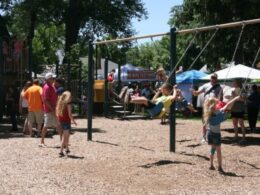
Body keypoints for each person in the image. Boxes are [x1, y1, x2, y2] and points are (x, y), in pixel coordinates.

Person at [203, 95, 241, 172]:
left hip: (210, 133)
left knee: (212, 149)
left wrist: (204, 136)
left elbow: (204, 126)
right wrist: (235, 98)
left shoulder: (207, 113)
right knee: (219, 151)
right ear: (214, 105)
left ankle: (211, 165)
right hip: (216, 134)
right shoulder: (218, 112)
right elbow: (227, 105)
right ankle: (220, 167)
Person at [192, 73, 223, 142]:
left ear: (216, 79)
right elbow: (197, 93)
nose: (213, 79)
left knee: (213, 121)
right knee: (204, 121)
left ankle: (212, 136)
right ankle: (204, 137)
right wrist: (193, 91)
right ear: (210, 78)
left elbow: (220, 99)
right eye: (212, 77)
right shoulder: (206, 85)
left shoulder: (219, 87)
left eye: (214, 78)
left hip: (214, 106)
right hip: (206, 105)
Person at [40, 72, 62, 147]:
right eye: (52, 78)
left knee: (58, 125)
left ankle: (62, 141)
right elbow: (46, 100)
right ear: (49, 79)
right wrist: (52, 110)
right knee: (46, 126)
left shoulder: (51, 86)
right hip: (49, 110)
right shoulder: (47, 87)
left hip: (53, 109)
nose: (54, 79)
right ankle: (42, 142)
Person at [56, 91, 77, 157]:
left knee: (66, 136)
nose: (71, 98)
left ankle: (67, 148)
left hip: (60, 122)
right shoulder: (68, 104)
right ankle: (61, 151)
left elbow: (57, 114)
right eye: (70, 97)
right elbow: (70, 114)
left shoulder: (60, 103)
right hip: (66, 122)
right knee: (65, 137)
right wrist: (73, 121)